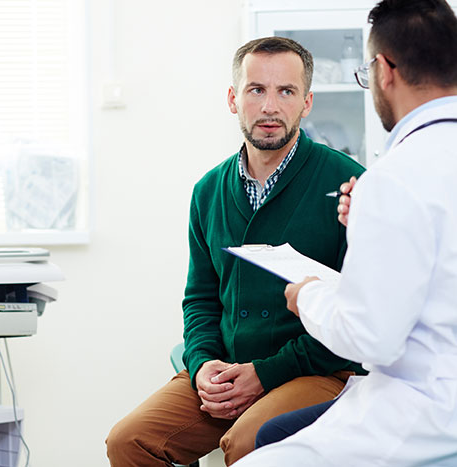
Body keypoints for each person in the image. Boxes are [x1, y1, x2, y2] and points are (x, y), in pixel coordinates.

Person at [105, 36, 366, 466]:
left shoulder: (349, 184)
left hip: (315, 370)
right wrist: (203, 362)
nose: (270, 107)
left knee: (247, 442)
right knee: (128, 442)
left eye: (286, 91)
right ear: (233, 98)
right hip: (226, 371)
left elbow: (359, 315)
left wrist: (265, 374)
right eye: (256, 90)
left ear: (307, 102)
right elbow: (201, 299)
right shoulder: (208, 191)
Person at [235, 1, 457, 465]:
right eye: (256, 89)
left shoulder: (390, 178)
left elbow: (370, 337)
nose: (270, 105)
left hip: (427, 413)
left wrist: (309, 295)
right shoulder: (398, 182)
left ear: (383, 70)